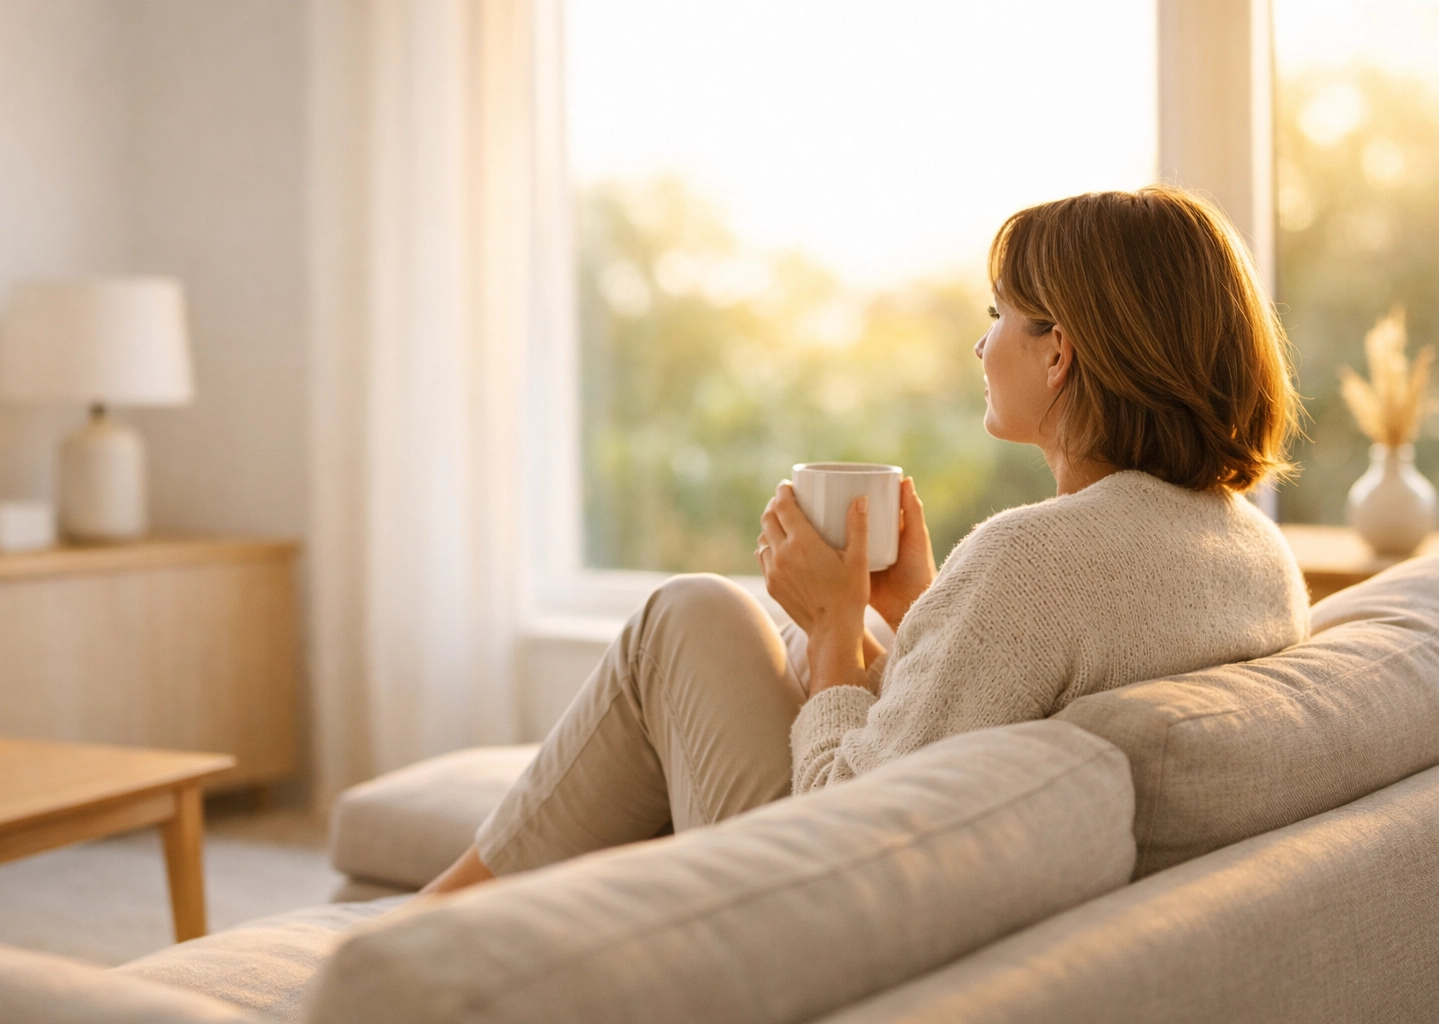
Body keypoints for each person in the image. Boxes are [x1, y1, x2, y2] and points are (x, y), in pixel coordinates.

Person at [409, 184, 1310, 899]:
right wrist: (909, 611)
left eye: (997, 313)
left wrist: (839, 630)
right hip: (1001, 884)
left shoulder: (1030, 560)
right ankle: (516, 916)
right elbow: (997, 712)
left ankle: (439, 921)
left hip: (816, 906)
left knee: (687, 618)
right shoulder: (1255, 554)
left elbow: (849, 827)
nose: (980, 344)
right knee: (756, 631)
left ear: (1057, 353)